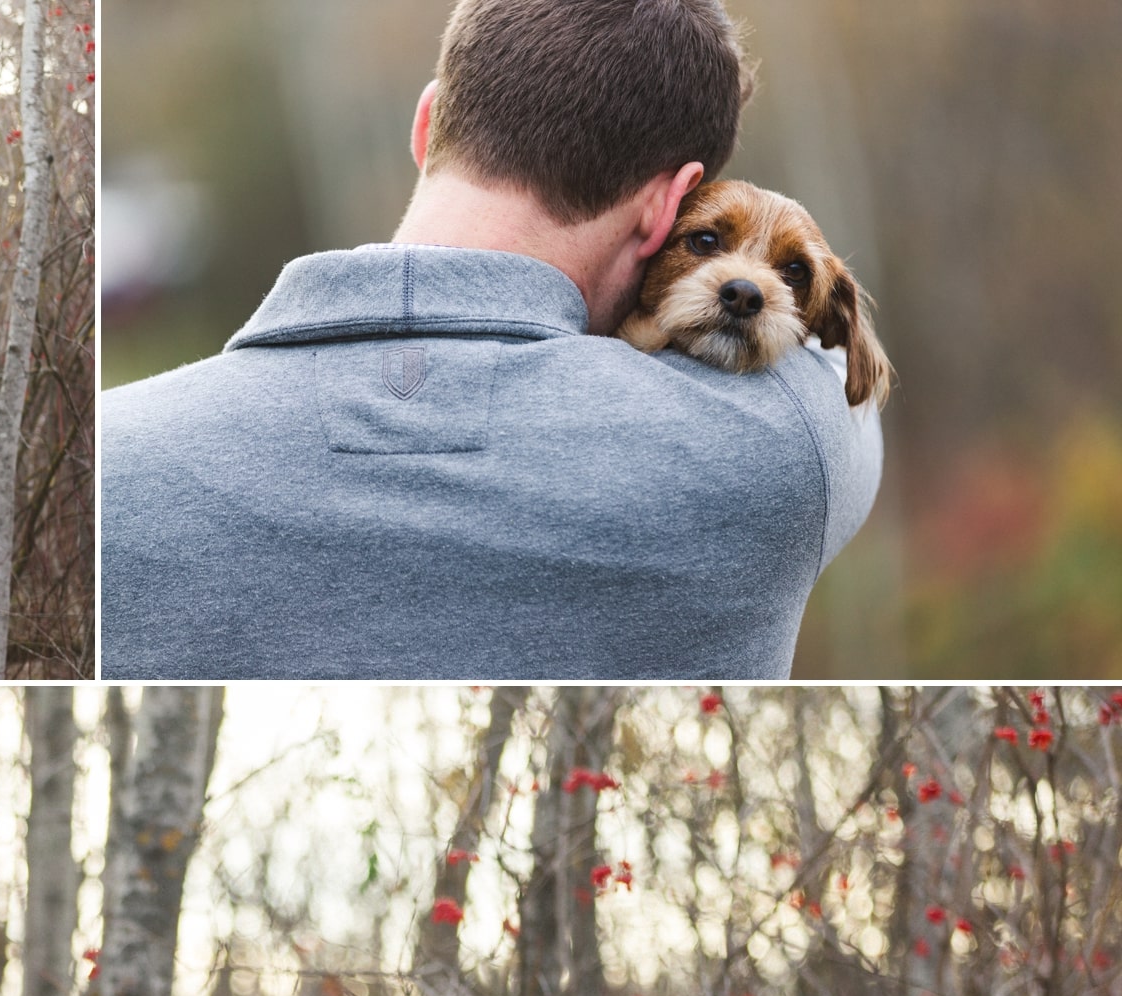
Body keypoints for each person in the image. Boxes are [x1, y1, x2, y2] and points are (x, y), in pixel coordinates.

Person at [99, 0, 882, 679]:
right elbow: (849, 386)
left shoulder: (106, 462)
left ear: (428, 123)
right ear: (669, 205)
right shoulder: (788, 448)